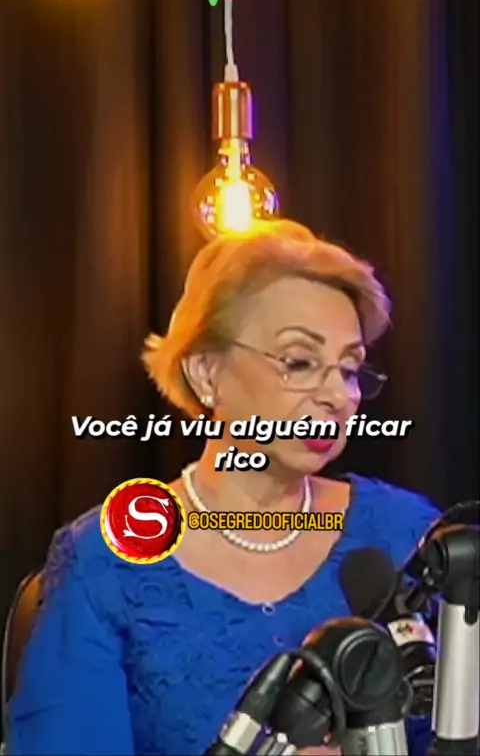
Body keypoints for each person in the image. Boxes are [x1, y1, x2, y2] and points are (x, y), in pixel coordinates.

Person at [6, 220, 440, 756]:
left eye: (350, 369)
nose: (339, 395)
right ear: (206, 372)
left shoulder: (409, 535)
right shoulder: (105, 559)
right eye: (300, 362)